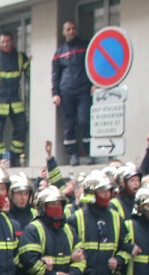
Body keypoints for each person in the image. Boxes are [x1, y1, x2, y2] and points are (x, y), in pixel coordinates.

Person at [0, 31, 30, 167]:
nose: (5, 44)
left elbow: (31, 71)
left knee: (22, 127)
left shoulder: (21, 58)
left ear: (12, 42)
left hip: (15, 101)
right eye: (2, 42)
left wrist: (34, 60)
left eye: (7, 42)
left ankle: (15, 157)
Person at [52, 21, 93, 166]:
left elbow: (94, 65)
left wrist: (95, 83)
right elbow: (55, 75)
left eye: (73, 29)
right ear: (63, 32)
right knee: (69, 125)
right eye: (68, 29)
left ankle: (89, 152)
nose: (71, 31)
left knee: (84, 121)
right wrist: (55, 94)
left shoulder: (85, 47)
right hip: (66, 93)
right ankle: (73, 155)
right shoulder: (59, 53)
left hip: (84, 91)